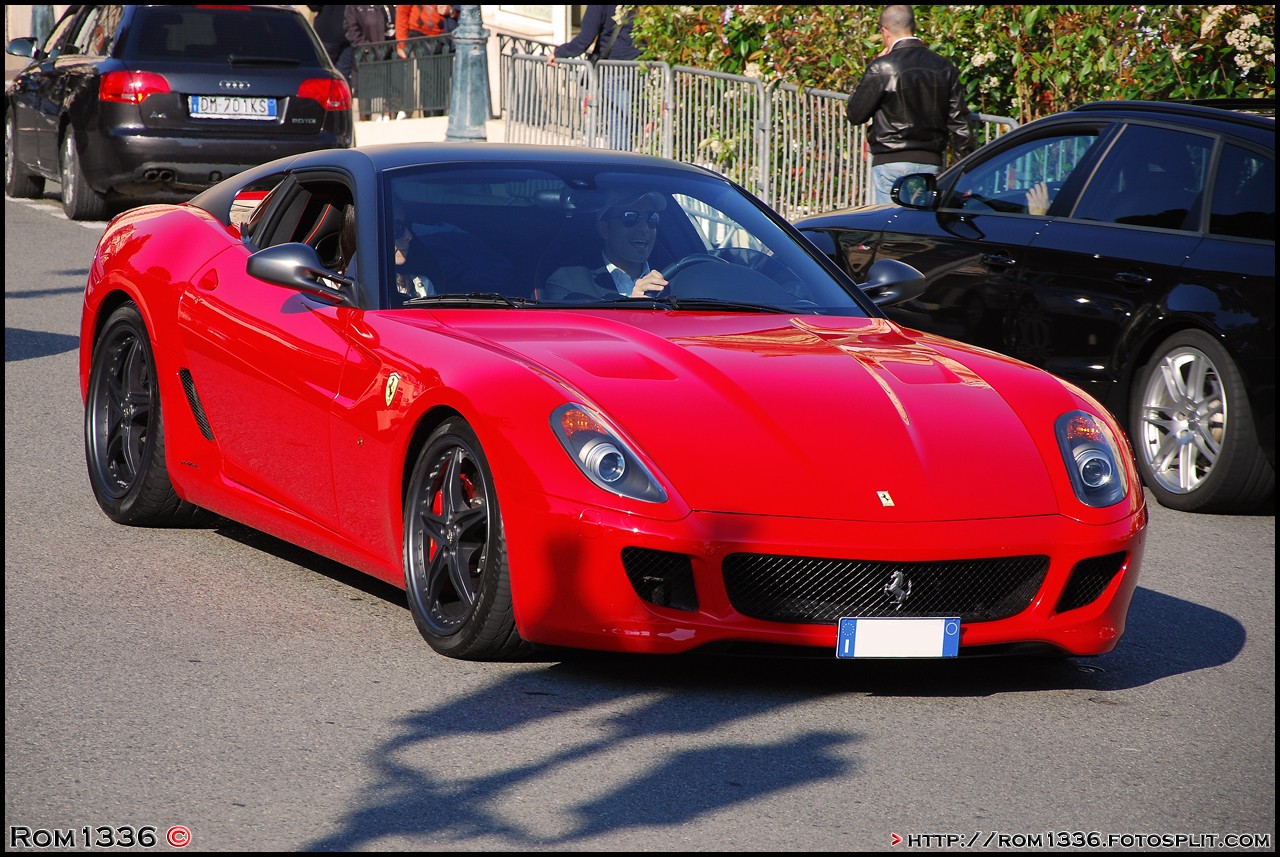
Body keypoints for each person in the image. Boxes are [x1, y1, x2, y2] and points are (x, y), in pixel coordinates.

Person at [845, 5, 975, 205]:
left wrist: (874, 67)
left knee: (889, 225)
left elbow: (856, 113)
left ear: (884, 32)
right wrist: (961, 172)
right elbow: (960, 124)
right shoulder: (943, 66)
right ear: (913, 26)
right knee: (921, 228)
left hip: (890, 159)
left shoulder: (882, 67)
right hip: (930, 161)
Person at [542, 191, 670, 301]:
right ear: (604, 229)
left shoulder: (676, 279)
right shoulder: (569, 281)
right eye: (630, 217)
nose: (644, 228)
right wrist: (633, 306)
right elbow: (564, 327)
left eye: (651, 218)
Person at [547, 5, 641, 150]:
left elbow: (584, 40)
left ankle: (624, 163)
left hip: (614, 69)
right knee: (623, 118)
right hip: (643, 67)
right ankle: (627, 161)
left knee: (622, 118)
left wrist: (558, 53)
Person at [344, 5, 396, 121]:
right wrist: (365, 48)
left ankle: (389, 115)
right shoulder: (354, 8)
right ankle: (365, 119)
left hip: (388, 54)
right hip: (365, 57)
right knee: (364, 96)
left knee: (390, 89)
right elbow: (350, 28)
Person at [309, 5, 353, 84]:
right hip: (349, 32)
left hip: (327, 33)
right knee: (343, 76)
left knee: (323, 73)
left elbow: (314, 7)